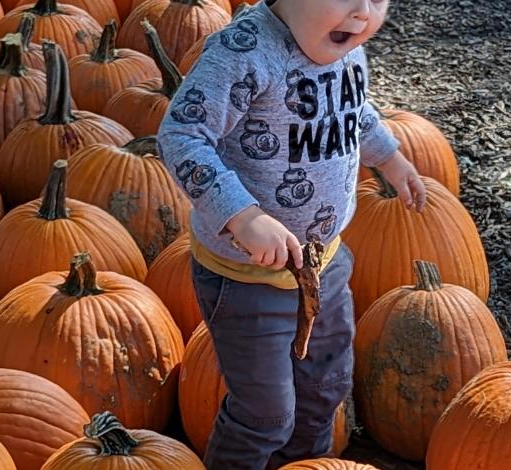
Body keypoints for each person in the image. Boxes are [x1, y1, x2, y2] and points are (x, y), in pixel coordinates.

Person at [157, 0, 426, 468]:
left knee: (324, 389)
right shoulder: (244, 53)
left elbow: (354, 106)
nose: (364, 13)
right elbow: (182, 135)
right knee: (264, 416)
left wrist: (389, 157)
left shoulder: (342, 46)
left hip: (325, 263)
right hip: (246, 279)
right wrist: (242, 215)